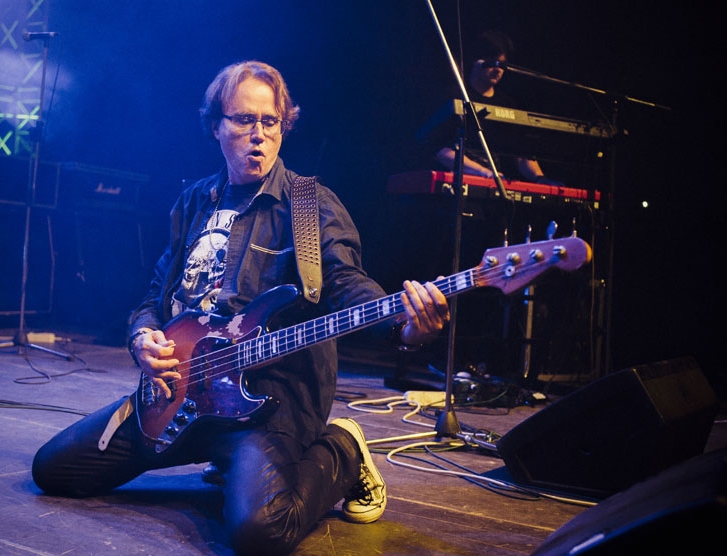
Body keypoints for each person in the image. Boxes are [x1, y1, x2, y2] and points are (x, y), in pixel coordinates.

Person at [31, 60, 450, 556]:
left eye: (270, 121)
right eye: (244, 119)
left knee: (260, 535)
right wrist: (142, 337)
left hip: (266, 403)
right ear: (216, 126)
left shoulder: (307, 204)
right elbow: (154, 296)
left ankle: (343, 450)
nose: (259, 134)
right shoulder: (194, 202)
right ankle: (226, 465)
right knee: (54, 469)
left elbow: (346, 285)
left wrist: (406, 325)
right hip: (179, 394)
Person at [434, 29, 561, 185]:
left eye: (502, 64)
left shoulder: (507, 104)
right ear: (477, 61)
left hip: (494, 182)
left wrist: (539, 178)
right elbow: (439, 149)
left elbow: (521, 154)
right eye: (493, 62)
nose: (498, 69)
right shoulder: (455, 96)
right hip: (458, 182)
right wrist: (484, 173)